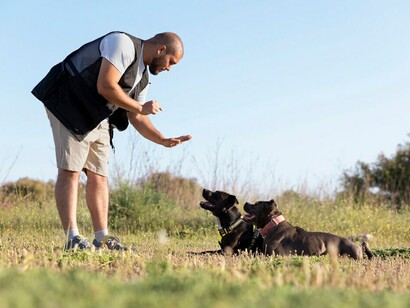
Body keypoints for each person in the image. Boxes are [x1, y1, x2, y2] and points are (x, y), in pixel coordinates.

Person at [32, 31, 191, 251]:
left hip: (98, 115)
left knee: (99, 176)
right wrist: (138, 107)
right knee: (71, 170)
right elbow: (106, 85)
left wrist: (162, 139)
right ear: (161, 49)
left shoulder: (143, 78)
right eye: (171, 62)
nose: (169, 68)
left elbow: (136, 116)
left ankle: (102, 238)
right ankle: (73, 238)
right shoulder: (123, 44)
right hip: (69, 102)